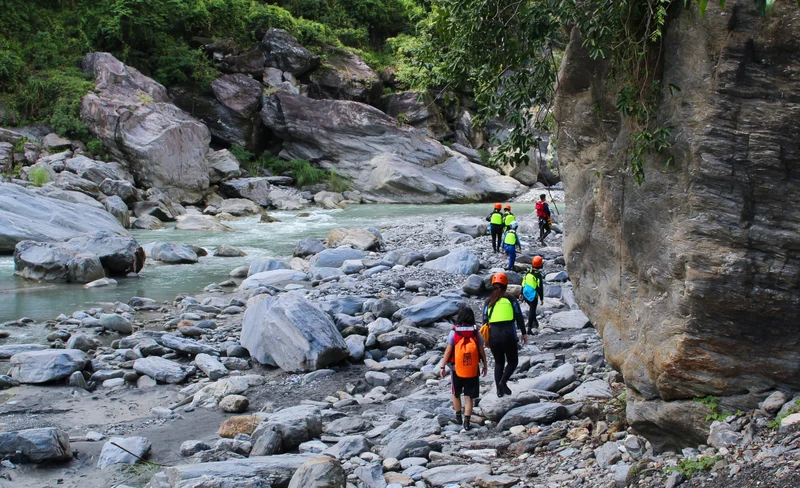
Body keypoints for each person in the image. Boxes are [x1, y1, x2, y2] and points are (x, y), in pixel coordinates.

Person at [440, 306, 487, 431]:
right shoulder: (475, 331)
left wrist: (442, 366)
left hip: (456, 368)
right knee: (468, 396)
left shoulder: (454, 331)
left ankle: (458, 418)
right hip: (472, 368)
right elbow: (481, 350)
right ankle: (467, 422)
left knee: (456, 393)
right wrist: (485, 365)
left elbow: (448, 350)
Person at [483, 273, 527, 398]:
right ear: (506, 285)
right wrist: (524, 333)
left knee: (498, 362)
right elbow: (518, 316)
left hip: (493, 336)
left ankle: (499, 390)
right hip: (508, 334)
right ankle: (503, 382)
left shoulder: (488, 301)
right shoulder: (511, 299)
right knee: (513, 361)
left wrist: (486, 339)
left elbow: (485, 321)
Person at [521, 256, 545, 335]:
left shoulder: (528, 272)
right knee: (532, 310)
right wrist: (541, 298)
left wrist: (521, 293)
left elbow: (523, 282)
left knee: (532, 309)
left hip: (525, 293)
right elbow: (539, 288)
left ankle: (535, 322)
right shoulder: (538, 276)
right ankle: (529, 328)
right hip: (533, 296)